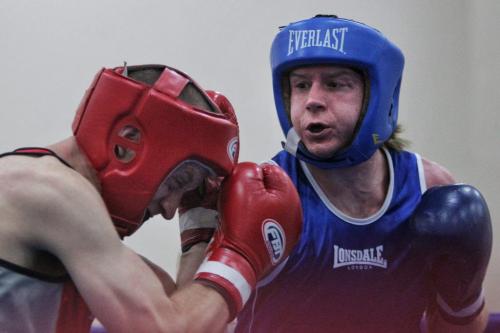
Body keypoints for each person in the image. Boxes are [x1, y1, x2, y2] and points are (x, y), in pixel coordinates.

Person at [178, 15, 493, 333]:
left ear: (379, 97)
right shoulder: (263, 197)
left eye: (335, 84)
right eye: (301, 85)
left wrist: (463, 299)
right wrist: (200, 234)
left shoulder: (429, 189)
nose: (313, 100)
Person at [0, 63, 303, 333]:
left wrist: (200, 231)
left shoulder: (77, 226)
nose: (170, 209)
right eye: (178, 182)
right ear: (127, 142)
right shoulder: (50, 192)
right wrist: (240, 258)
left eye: (184, 196)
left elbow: (188, 312)